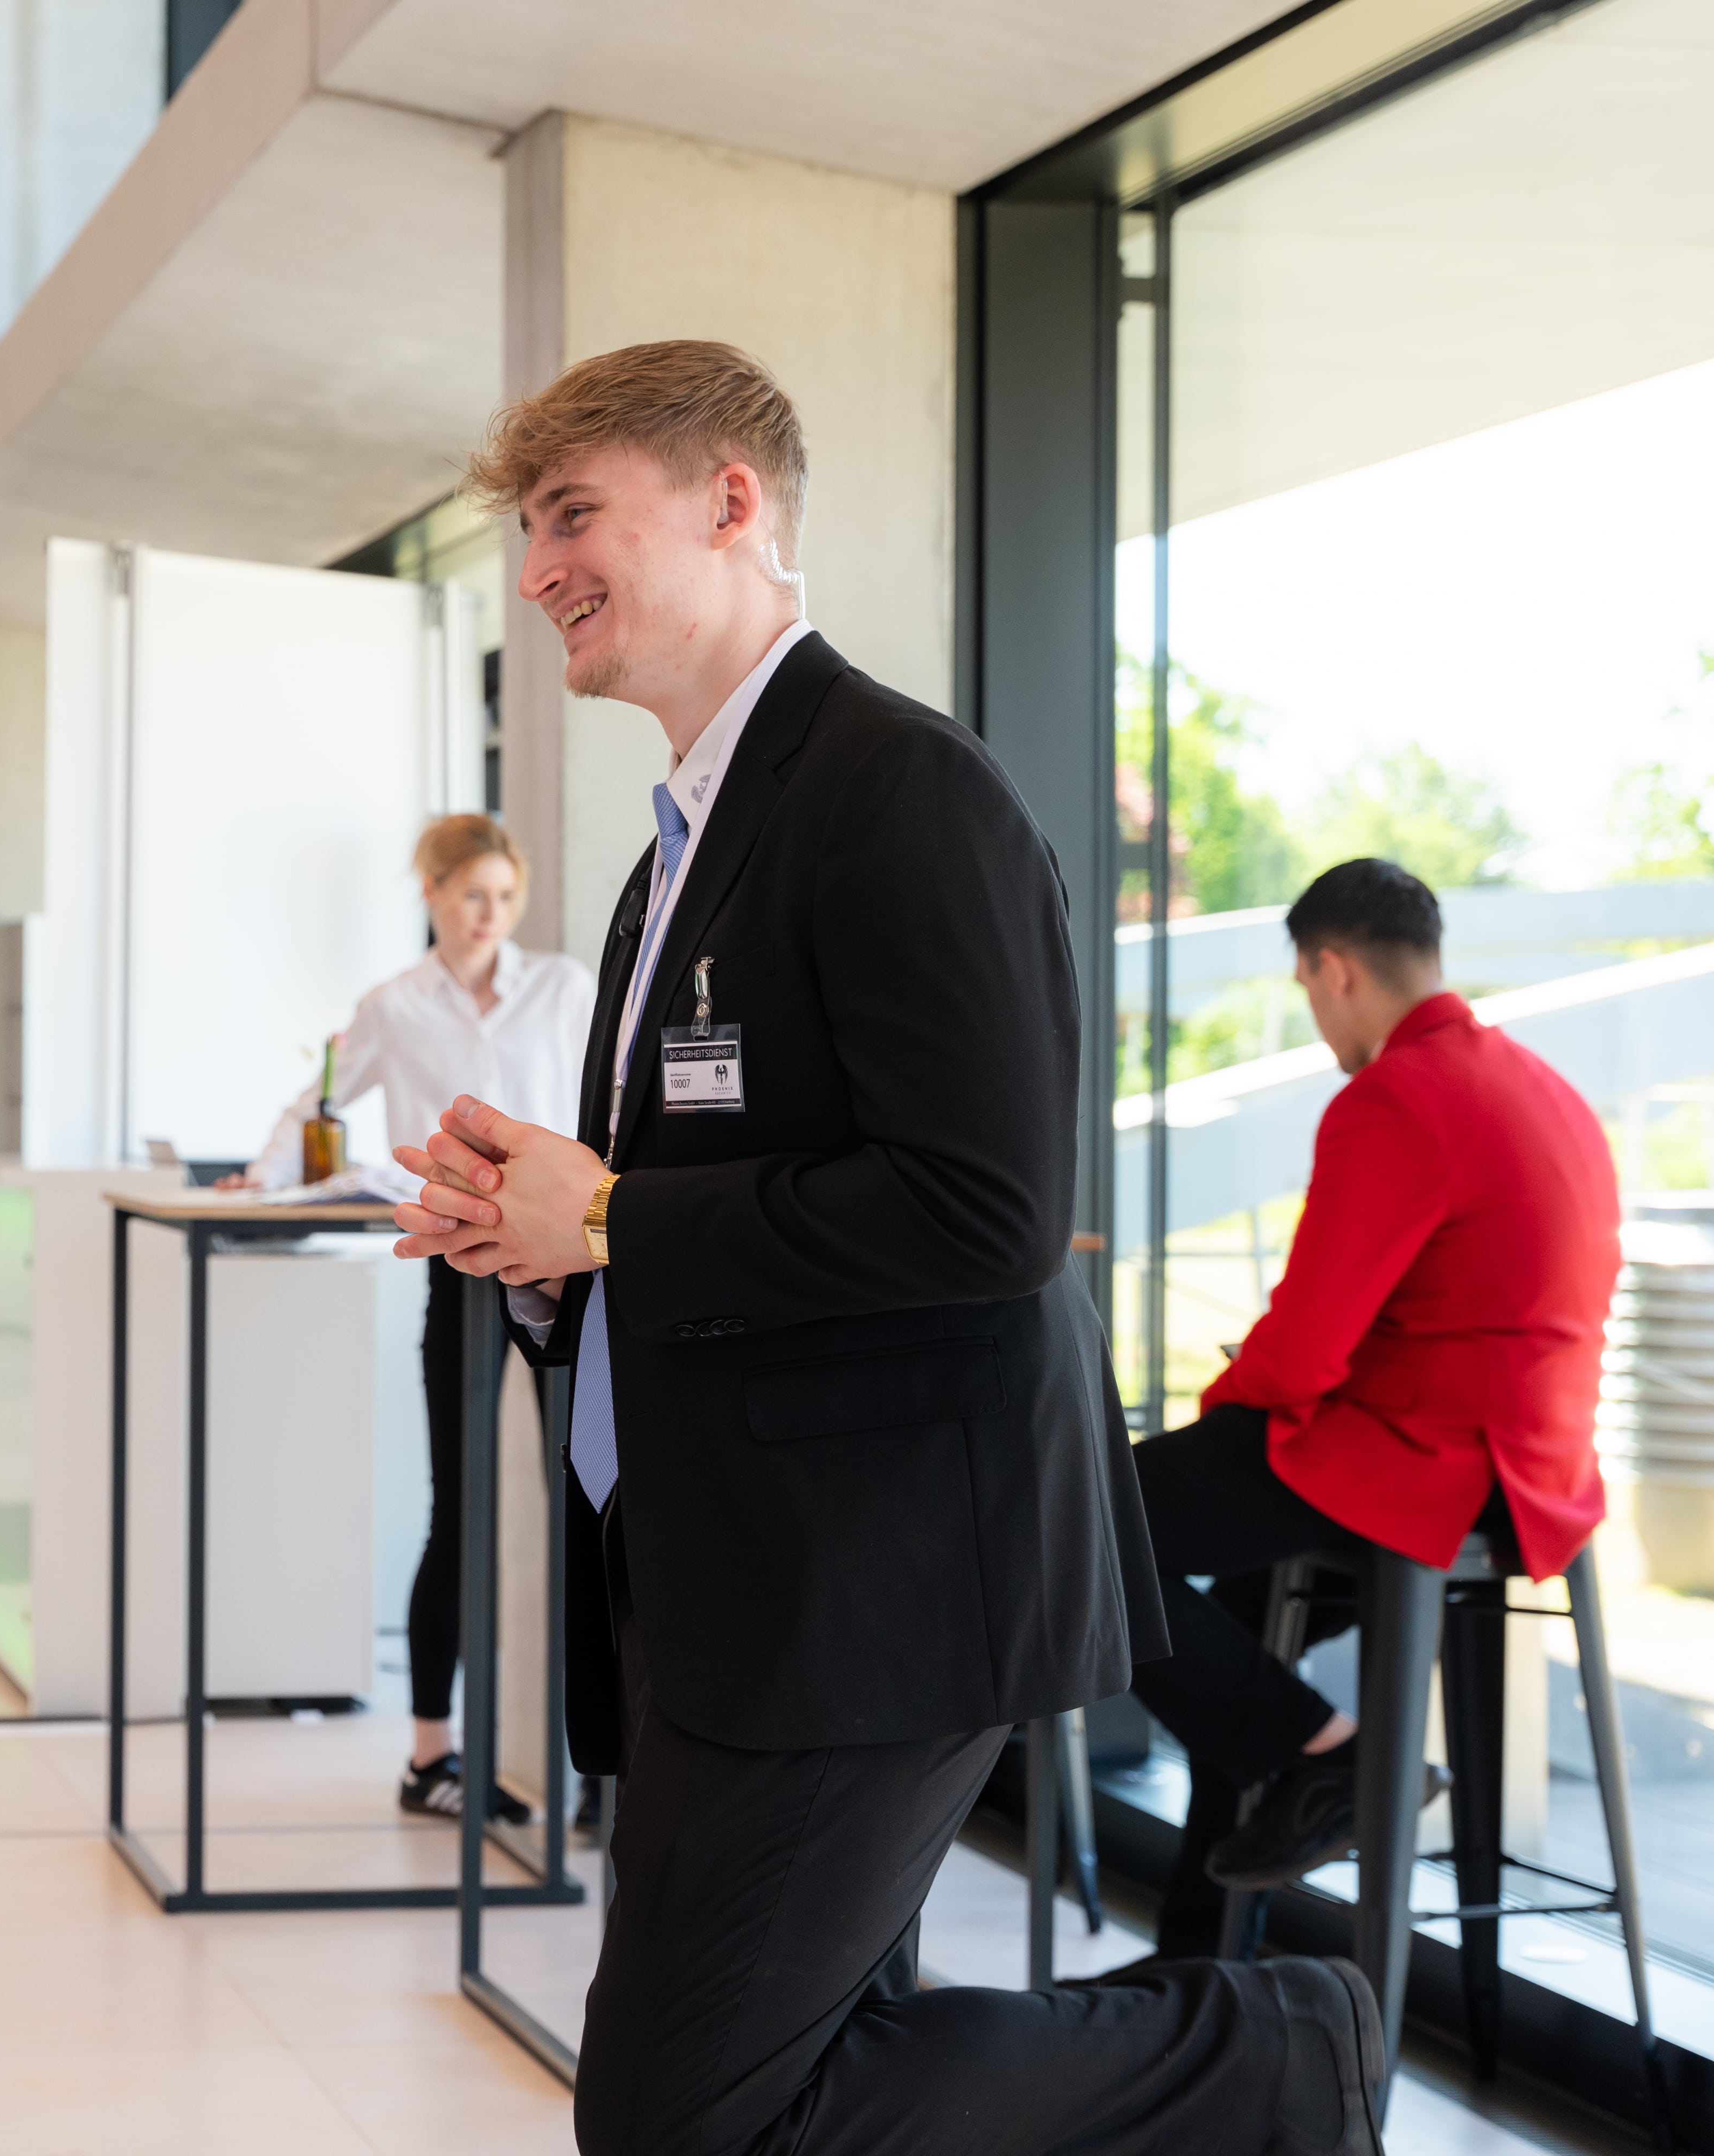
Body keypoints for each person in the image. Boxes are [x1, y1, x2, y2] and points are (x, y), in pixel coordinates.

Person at [393, 341, 1389, 2155]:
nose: (536, 570)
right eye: (526, 534)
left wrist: (612, 1212)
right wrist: (547, 1231)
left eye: (570, 516)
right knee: (761, 2086)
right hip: (728, 1582)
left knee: (688, 2120)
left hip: (881, 1582)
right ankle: (1272, 2053)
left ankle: (1278, 2053)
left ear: (731, 502)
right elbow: (707, 1190)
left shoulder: (900, 791)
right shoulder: (677, 851)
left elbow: (989, 1209)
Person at [1130, 859, 1614, 1953]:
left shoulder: (1395, 1095)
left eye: (1307, 993)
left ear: (1330, 969)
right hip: (1532, 1470)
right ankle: (1198, 1961)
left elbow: (1299, 1352)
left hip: (1426, 1464)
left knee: (1075, 1521)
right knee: (1242, 1620)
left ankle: (1323, 1751)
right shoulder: (1544, 1086)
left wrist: (1220, 1413)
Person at [219, 813, 593, 1822]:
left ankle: (596, 1766)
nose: (490, 916)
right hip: (465, 1269)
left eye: (505, 898)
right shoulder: (394, 1006)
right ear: (431, 894)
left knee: (593, 1509)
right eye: (473, 895)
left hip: (571, 1271)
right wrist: (270, 1167)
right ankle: (432, 1756)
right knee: (460, 1508)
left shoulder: (563, 990)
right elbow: (318, 1104)